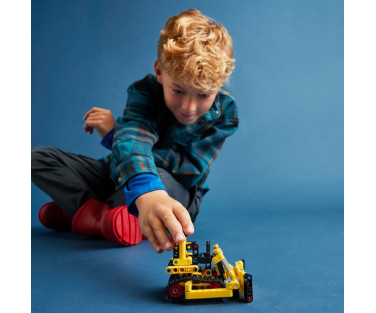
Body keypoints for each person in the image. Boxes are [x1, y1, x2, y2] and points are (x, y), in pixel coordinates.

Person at [31, 8, 238, 253]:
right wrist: (126, 147)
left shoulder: (225, 112)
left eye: (203, 95)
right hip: (121, 174)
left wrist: (113, 137)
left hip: (174, 190)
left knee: (158, 179)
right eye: (179, 91)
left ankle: (77, 213)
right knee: (38, 158)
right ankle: (94, 215)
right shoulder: (145, 92)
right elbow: (134, 135)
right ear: (160, 72)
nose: (188, 107)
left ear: (221, 83)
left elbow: (189, 169)